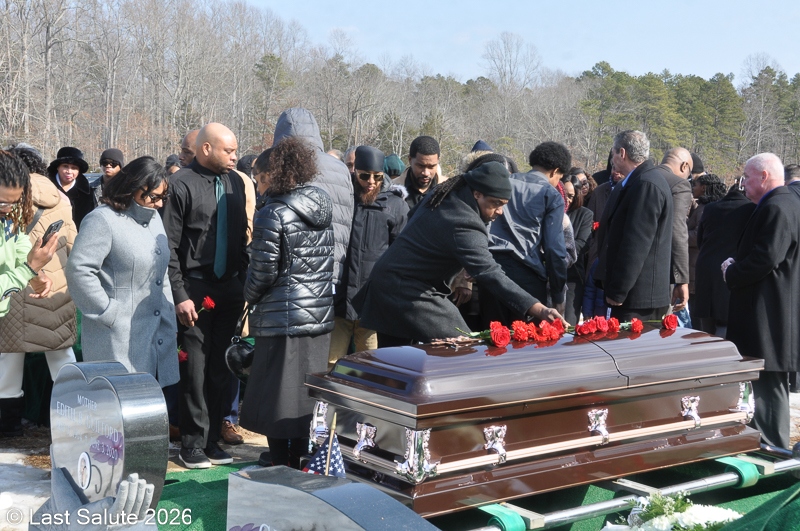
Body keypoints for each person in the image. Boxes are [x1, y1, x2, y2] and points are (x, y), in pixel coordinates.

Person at [353, 161, 566, 345]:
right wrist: (540, 309)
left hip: (391, 283)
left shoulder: (446, 193)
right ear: (477, 194)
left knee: (398, 365)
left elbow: (417, 220)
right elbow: (490, 273)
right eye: (496, 204)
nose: (500, 212)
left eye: (504, 205)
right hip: (406, 290)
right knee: (464, 347)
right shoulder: (464, 221)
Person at [240, 137, 334, 469]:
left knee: (276, 398)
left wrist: (248, 296)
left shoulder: (273, 213)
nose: (257, 185)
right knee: (306, 397)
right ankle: (300, 460)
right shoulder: (321, 208)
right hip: (318, 317)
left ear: (272, 174)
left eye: (258, 177)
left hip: (281, 318)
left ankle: (281, 463)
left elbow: (263, 272)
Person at [162, 123, 249, 469]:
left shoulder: (236, 182)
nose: (234, 156)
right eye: (228, 150)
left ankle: (212, 440)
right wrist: (179, 293)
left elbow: (241, 235)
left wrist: (243, 283)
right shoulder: (180, 184)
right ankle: (192, 443)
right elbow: (168, 245)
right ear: (207, 148)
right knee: (194, 368)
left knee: (220, 368)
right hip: (194, 288)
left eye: (235, 150)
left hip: (230, 287)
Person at [66, 156, 178, 388]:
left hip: (156, 328)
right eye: (154, 197)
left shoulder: (154, 218)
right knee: (119, 399)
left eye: (163, 197)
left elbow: (161, 272)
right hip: (117, 336)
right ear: (133, 187)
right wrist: (109, 313)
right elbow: (79, 271)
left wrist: (168, 311)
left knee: (150, 400)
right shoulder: (102, 220)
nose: (159, 204)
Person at [723, 153, 800, 449]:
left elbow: (765, 258)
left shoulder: (778, 206)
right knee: (765, 386)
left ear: (764, 176)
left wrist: (732, 271)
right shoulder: (785, 202)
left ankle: (773, 449)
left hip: (768, 314)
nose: (743, 183)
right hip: (773, 310)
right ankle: (765, 442)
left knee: (768, 388)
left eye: (747, 177)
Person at [0, 148, 72, 438]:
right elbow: (73, 242)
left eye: (13, 202)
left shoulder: (10, 205)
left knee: (8, 359)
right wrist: (37, 271)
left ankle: (8, 427)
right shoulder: (62, 198)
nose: (8, 208)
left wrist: (34, 271)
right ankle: (73, 422)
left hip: (18, 290)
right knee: (61, 356)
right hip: (52, 289)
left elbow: (16, 240)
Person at [330, 146, 408, 364]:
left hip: (370, 302)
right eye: (365, 176)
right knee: (331, 362)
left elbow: (400, 254)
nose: (371, 182)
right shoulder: (343, 200)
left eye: (377, 176)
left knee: (369, 364)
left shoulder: (395, 206)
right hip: (340, 301)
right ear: (355, 172)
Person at [484, 142, 569, 325]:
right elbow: (554, 249)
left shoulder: (504, 183)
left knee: (493, 337)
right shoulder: (550, 195)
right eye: (559, 178)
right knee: (526, 339)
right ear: (555, 171)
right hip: (527, 277)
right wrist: (558, 295)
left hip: (492, 273)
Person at [271, 108, 353, 296]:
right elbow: (348, 217)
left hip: (290, 273)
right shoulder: (341, 168)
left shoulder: (284, 165)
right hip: (331, 268)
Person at [594, 130, 673, 321]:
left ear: (622, 153)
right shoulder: (639, 181)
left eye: (613, 153)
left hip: (639, 300)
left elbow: (636, 243)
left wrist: (618, 290)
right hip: (635, 297)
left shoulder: (646, 184)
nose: (611, 159)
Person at [693, 179, 755, 338]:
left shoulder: (710, 208)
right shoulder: (752, 209)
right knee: (726, 322)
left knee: (706, 323)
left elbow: (700, 239)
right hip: (731, 267)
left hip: (706, 266)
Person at [657, 147, 693, 317]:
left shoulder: (636, 178)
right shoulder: (679, 185)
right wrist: (682, 280)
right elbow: (677, 231)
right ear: (684, 166)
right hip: (659, 275)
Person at [687, 173, 726, 314]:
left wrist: (677, 235)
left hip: (696, 265)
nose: (693, 188)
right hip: (698, 264)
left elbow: (698, 236)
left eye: (695, 185)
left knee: (696, 312)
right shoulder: (706, 206)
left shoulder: (705, 209)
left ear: (703, 188)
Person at [562, 173, 593, 324]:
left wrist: (555, 251)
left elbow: (582, 243)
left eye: (571, 196)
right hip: (546, 276)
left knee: (568, 322)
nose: (567, 199)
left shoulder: (585, 214)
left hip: (572, 275)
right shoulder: (549, 210)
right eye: (564, 194)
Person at [47, 147, 94, 229]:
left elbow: (91, 220)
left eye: (74, 168)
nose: (69, 171)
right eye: (65, 166)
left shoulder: (87, 192)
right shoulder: (46, 186)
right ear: (58, 167)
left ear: (79, 171)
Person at [393, 136, 442, 210]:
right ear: (410, 160)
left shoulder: (449, 192)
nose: (426, 173)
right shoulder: (392, 190)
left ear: (438, 161)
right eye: (420, 166)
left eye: (431, 167)